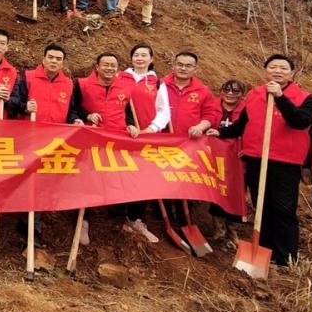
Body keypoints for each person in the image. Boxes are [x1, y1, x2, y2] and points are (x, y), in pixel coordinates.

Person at [215, 54, 312, 267]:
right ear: (266, 70)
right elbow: (243, 123)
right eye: (273, 67)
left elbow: (300, 122)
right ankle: (265, 250)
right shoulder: (255, 94)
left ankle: (286, 256)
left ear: (292, 73)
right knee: (262, 206)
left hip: (284, 163)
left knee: (283, 209)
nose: (277, 71)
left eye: (283, 68)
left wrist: (280, 97)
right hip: (255, 159)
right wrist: (221, 133)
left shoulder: (305, 98)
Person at [8, 43, 75, 246]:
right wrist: (25, 107)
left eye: (58, 59)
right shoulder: (28, 78)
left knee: (43, 185)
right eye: (51, 57)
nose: (54, 61)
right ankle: (31, 228)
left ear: (63, 63)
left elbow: (71, 111)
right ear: (43, 59)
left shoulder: (68, 84)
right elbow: (12, 103)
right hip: (29, 139)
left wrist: (76, 119)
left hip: (54, 143)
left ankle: (30, 225)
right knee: (30, 183)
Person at [70, 51, 131, 246]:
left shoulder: (124, 87)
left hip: (116, 141)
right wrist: (87, 115)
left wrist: (131, 125)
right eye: (106, 65)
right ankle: (83, 220)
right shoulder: (82, 84)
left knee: (118, 177)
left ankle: (118, 219)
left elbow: (128, 112)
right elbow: (72, 109)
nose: (110, 68)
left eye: (113, 65)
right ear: (97, 67)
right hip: (91, 140)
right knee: (87, 179)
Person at [160, 51, 221, 226]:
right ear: (173, 65)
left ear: (195, 69)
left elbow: (211, 115)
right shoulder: (160, 85)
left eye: (188, 66)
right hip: (162, 143)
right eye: (180, 64)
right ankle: (164, 217)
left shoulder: (202, 91)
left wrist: (200, 127)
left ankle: (184, 220)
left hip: (188, 145)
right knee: (163, 179)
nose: (183, 68)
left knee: (184, 181)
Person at [122, 43, 171, 243]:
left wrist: (153, 127)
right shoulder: (121, 78)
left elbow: (164, 110)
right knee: (121, 174)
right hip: (123, 135)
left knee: (143, 177)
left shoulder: (157, 82)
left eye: (144, 55)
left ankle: (136, 218)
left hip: (147, 137)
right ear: (131, 58)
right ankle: (118, 216)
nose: (140, 58)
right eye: (136, 54)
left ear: (151, 59)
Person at [205, 79, 247, 248]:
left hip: (237, 157)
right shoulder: (212, 106)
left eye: (235, 91)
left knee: (236, 192)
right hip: (215, 155)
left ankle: (232, 229)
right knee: (218, 190)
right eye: (227, 89)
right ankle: (219, 229)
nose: (230, 94)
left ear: (242, 94)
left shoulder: (246, 109)